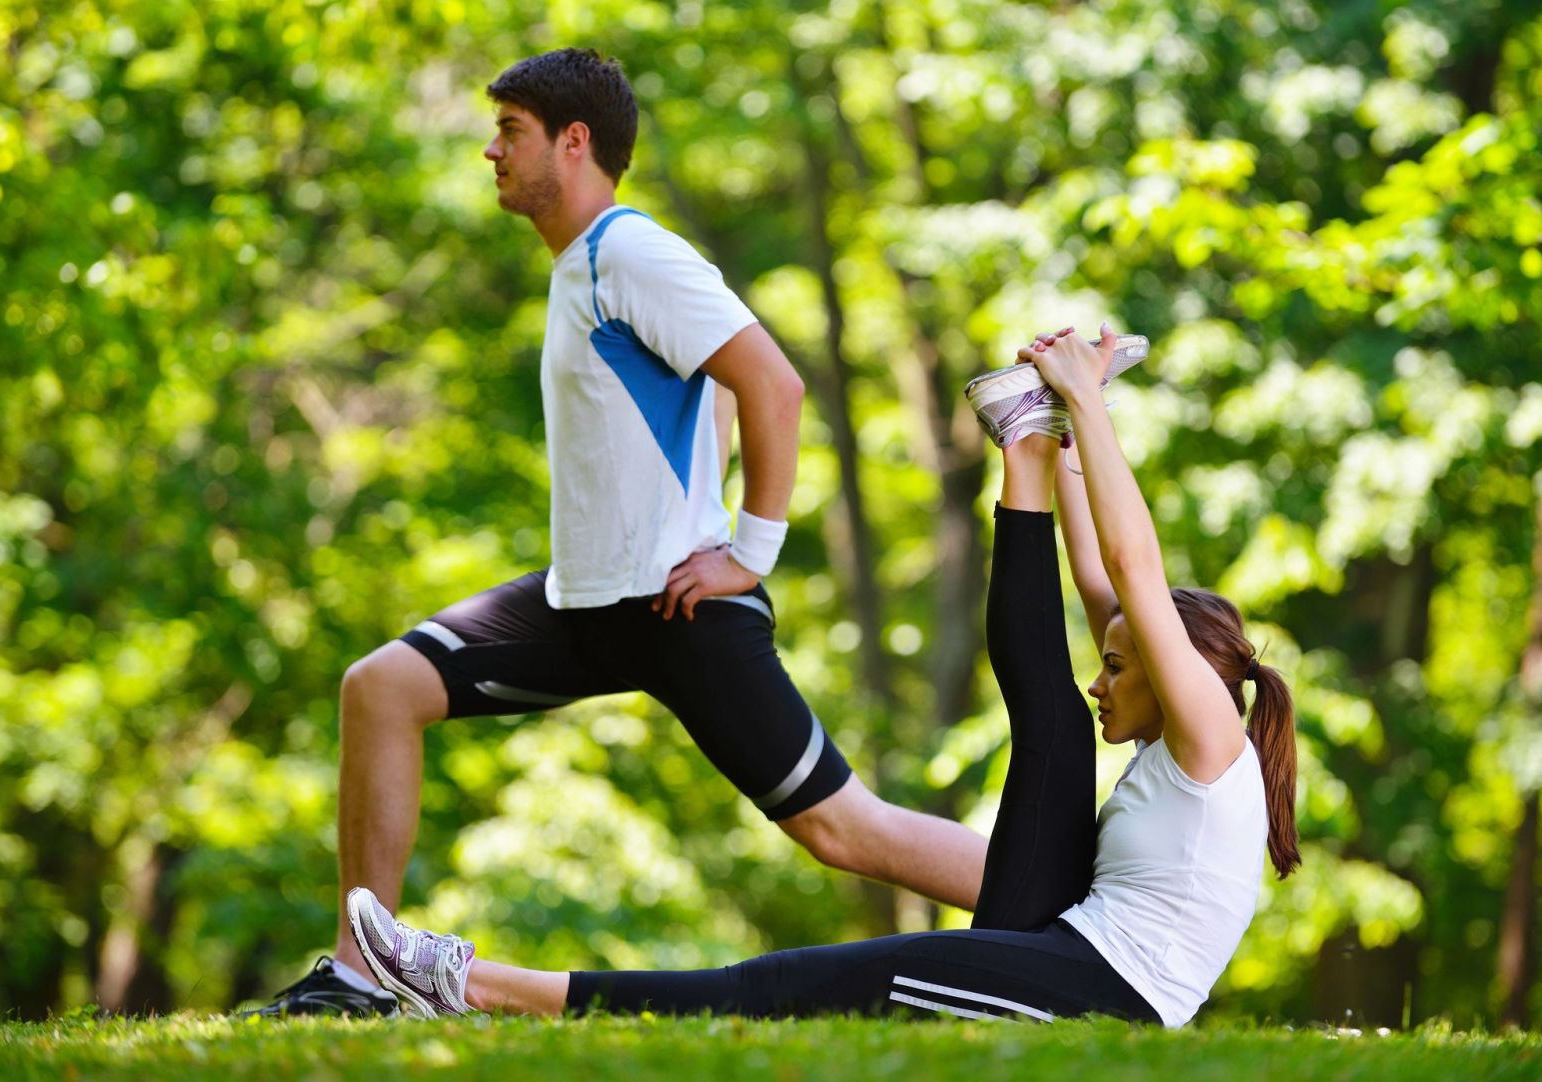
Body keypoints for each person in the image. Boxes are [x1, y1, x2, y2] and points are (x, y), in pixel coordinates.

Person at [245, 48, 990, 1018]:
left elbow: (772, 380)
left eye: (509, 132)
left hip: (678, 607)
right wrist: (701, 494)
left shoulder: (631, 251)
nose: (490, 151)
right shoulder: (579, 268)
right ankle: (361, 974)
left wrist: (743, 551)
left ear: (575, 139)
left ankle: (1080, 913)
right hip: (583, 601)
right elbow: (710, 389)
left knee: (841, 829)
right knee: (381, 687)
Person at [340, 325, 1301, 1028]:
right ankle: (1022, 442)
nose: (1105, 679)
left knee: (784, 986)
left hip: (1105, 990)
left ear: (1184, 676)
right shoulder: (1181, 721)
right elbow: (1103, 584)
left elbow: (1133, 570)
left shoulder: (1209, 733)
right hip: (1065, 932)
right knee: (1045, 711)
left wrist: (1091, 398)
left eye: (1122, 667)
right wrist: (1059, 449)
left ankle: (468, 985)